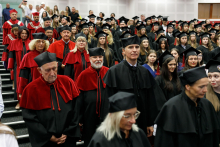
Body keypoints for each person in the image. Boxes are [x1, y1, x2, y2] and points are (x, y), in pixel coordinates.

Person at [102, 35, 166, 136]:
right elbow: (108, 101)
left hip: (142, 121)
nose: (134, 50)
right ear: (123, 51)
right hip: (121, 123)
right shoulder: (114, 72)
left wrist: (150, 123)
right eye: (130, 47)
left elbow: (151, 100)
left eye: (137, 47)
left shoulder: (144, 72)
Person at [20, 52, 80, 147]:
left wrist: (68, 132)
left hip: (67, 137)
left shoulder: (68, 82)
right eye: (48, 70)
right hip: (44, 141)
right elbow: (30, 118)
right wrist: (48, 136)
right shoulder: (30, 89)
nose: (52, 73)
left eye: (54, 68)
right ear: (39, 70)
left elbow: (76, 110)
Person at [154, 66, 220, 147]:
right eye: (201, 87)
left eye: (206, 86)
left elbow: (214, 138)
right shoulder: (172, 107)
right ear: (187, 86)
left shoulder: (207, 105)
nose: (205, 90)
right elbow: (164, 141)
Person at [76, 47, 109, 147]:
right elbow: (79, 100)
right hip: (89, 115)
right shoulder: (84, 75)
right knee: (90, 141)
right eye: (95, 57)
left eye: (100, 57)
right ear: (90, 59)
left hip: (107, 115)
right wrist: (79, 119)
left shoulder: (109, 72)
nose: (98, 59)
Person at [18, 33, 49, 100]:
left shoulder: (48, 55)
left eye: (43, 42)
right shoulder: (28, 56)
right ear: (34, 43)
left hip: (47, 87)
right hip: (33, 86)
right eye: (38, 41)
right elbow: (23, 76)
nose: (41, 44)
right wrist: (21, 91)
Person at [7, 26, 30, 109]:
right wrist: (10, 66)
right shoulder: (14, 42)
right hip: (18, 67)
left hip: (29, 67)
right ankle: (19, 102)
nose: (24, 35)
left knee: (28, 85)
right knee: (18, 85)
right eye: (22, 33)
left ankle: (27, 102)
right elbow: (11, 55)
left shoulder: (31, 42)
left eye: (26, 33)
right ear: (19, 34)